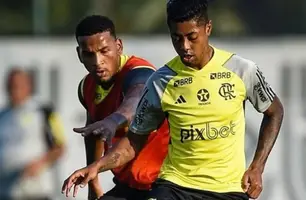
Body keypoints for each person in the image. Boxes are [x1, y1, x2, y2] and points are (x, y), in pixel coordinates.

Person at [62, 1, 284, 200]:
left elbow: (274, 111)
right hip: (175, 187)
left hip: (228, 189)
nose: (184, 46)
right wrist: (96, 167)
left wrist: (257, 167)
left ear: (208, 28)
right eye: (177, 38)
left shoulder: (241, 70)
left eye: (192, 37)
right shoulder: (162, 80)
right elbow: (133, 142)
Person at [64, 15, 169, 200]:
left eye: (105, 51)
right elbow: (95, 133)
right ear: (79, 54)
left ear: (119, 46)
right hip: (127, 185)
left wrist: (114, 120)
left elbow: (137, 99)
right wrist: (93, 183)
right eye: (89, 54)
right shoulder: (86, 87)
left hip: (161, 185)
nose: (98, 61)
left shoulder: (140, 72)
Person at [0, 68, 65, 200]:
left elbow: (60, 146)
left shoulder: (44, 111)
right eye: (11, 86)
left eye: (18, 85)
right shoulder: (2, 115)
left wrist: (40, 163)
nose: (14, 89)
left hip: (37, 191)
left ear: (28, 86)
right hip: (6, 191)